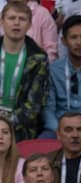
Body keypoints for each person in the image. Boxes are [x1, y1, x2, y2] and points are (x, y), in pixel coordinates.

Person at [0, 1, 48, 140]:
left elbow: (34, 105)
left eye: (22, 19)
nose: (16, 23)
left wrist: (5, 125)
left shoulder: (39, 58)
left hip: (20, 128)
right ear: (2, 21)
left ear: (29, 25)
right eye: (11, 18)